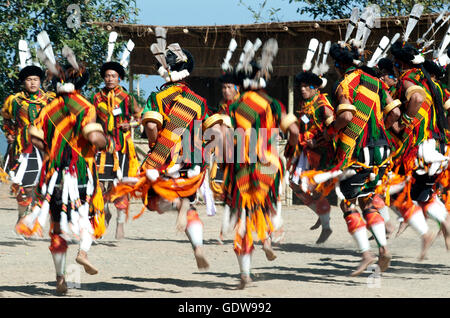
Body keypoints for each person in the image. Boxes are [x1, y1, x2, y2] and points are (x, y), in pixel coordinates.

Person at [113, 28, 213, 270]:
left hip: (166, 159)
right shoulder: (199, 101)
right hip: (192, 160)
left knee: (155, 202)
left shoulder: (158, 98)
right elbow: (206, 132)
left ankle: (179, 206)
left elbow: (150, 124)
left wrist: (155, 144)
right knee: (188, 202)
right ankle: (197, 245)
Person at [16, 36, 107, 294]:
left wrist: (51, 154)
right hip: (80, 175)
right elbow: (93, 137)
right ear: (80, 83)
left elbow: (35, 139)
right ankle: (83, 253)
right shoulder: (86, 107)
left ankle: (60, 278)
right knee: (89, 216)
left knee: (57, 226)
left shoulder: (48, 109)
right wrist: (103, 141)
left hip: (53, 176)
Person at [309, 41, 400, 276]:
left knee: (347, 203)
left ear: (338, 64)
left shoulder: (346, 83)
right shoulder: (377, 82)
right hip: (381, 150)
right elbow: (396, 113)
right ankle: (383, 248)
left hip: (358, 152)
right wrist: (381, 131)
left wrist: (330, 133)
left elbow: (347, 115)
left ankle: (367, 254)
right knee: (366, 200)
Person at [217, 38, 299, 288]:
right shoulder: (275, 104)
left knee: (242, 217)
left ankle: (245, 273)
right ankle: (266, 237)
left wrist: (222, 164)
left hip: (241, 168)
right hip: (267, 166)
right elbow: (294, 131)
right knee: (264, 206)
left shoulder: (234, 106)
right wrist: (291, 152)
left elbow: (221, 136)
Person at [388, 41, 450, 258]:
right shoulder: (436, 87)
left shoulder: (409, 79)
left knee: (392, 191)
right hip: (437, 145)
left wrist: (404, 121)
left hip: (416, 148)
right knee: (422, 194)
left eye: (395, 64)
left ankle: (423, 232)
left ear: (400, 63)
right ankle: (444, 222)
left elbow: (416, 98)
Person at [91, 37, 142, 239]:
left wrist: (129, 124)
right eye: (107, 76)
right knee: (100, 185)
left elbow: (140, 118)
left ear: (119, 78)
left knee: (121, 186)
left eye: (113, 76)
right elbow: (91, 119)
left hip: (122, 148)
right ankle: (103, 217)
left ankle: (120, 223)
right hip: (103, 148)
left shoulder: (127, 98)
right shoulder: (96, 98)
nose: (110, 79)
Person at [2, 40, 54, 226]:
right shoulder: (14, 100)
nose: (32, 83)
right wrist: (9, 133)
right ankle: (22, 216)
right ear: (24, 82)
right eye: (29, 80)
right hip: (22, 148)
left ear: (40, 81)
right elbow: (6, 119)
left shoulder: (50, 100)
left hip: (45, 147)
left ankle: (33, 218)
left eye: (36, 79)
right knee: (24, 186)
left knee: (44, 184)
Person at [286, 69, 335, 244]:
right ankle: (322, 216)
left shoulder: (323, 105)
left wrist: (318, 140)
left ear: (316, 88)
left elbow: (334, 127)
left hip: (320, 154)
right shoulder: (304, 104)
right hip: (305, 152)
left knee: (313, 187)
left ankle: (326, 223)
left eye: (307, 86)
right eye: (301, 86)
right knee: (295, 184)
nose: (303, 89)